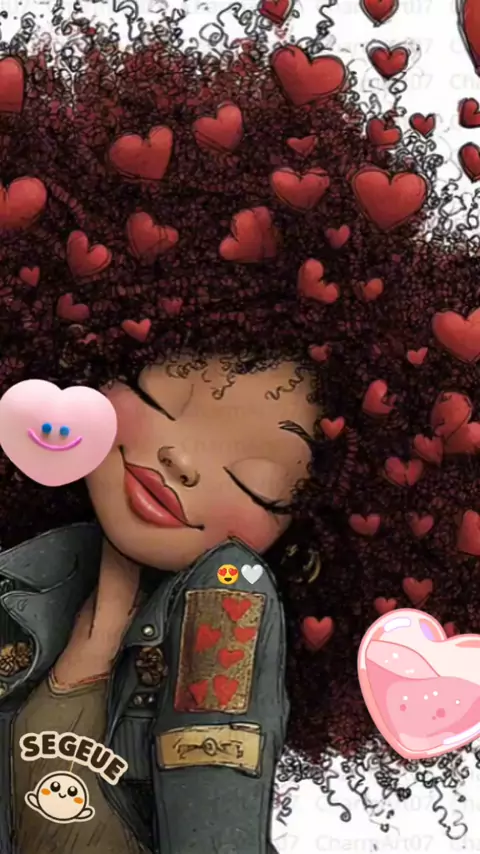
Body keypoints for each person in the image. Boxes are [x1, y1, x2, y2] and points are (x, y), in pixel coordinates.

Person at [0, 13, 479, 853]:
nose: (182, 457)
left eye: (255, 476)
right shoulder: (39, 571)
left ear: (308, 533)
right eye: (166, 393)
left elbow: (209, 824)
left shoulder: (226, 605)